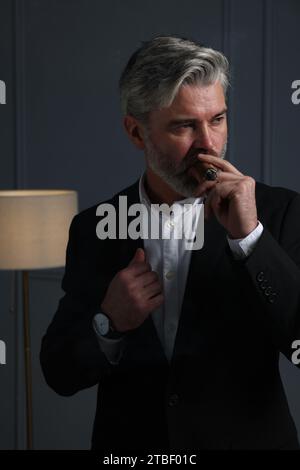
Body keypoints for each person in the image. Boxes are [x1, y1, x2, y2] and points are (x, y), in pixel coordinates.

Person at [40, 35, 300, 451]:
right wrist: (109, 322)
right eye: (184, 126)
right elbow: (59, 373)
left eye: (217, 119)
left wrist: (251, 240)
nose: (209, 144)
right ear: (136, 133)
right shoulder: (94, 228)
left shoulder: (280, 212)